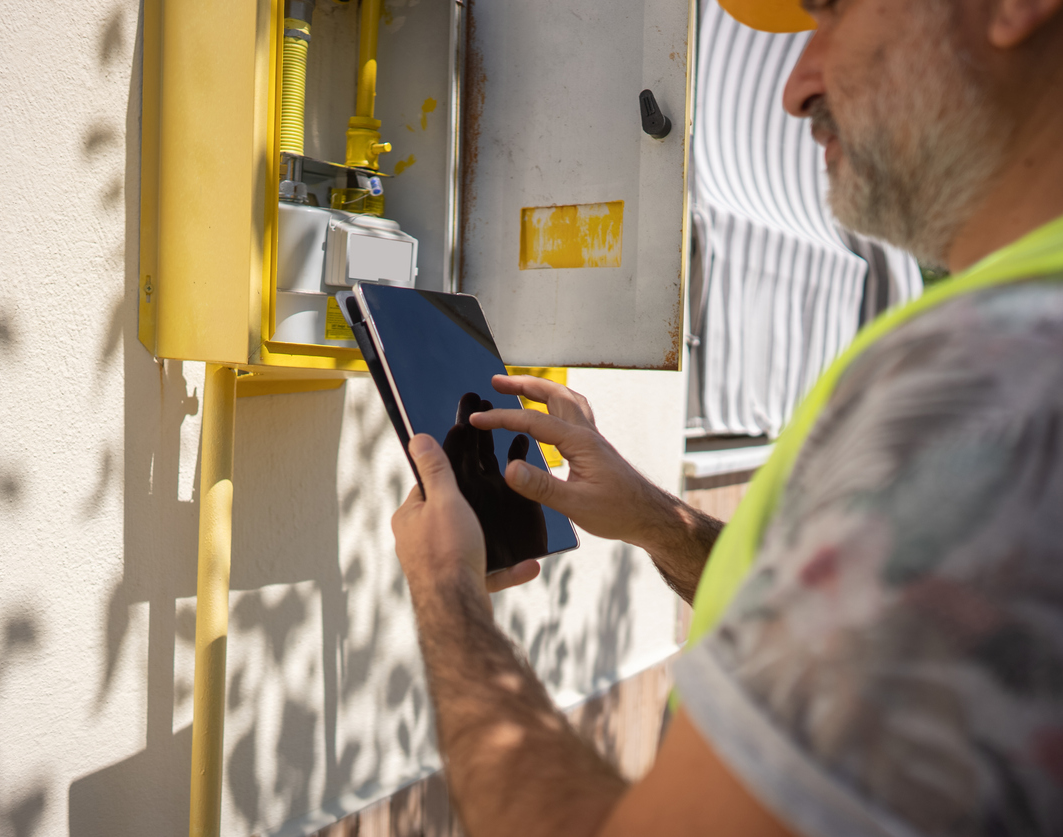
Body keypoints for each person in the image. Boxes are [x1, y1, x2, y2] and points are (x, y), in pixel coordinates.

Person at [389, 0, 1063, 834]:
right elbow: (863, 651)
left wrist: (446, 593)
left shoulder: (992, 380)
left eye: (833, 11)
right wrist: (658, 522)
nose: (794, 87)